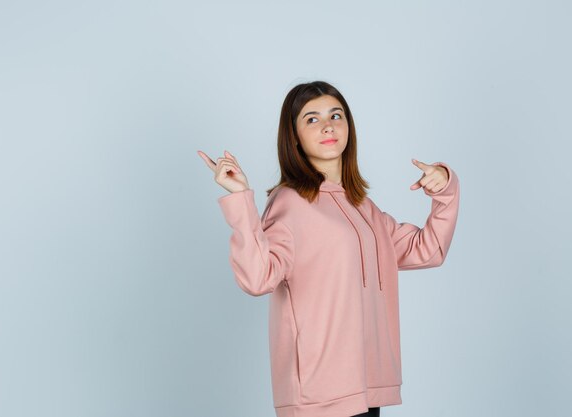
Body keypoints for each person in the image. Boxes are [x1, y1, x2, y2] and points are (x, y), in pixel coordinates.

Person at [197, 80, 460, 417]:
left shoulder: (364, 208)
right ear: (293, 136)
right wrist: (240, 201)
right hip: (317, 396)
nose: (327, 125)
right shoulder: (290, 203)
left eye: (336, 115)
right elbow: (257, 278)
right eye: (311, 119)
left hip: (367, 387)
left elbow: (428, 249)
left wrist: (446, 192)